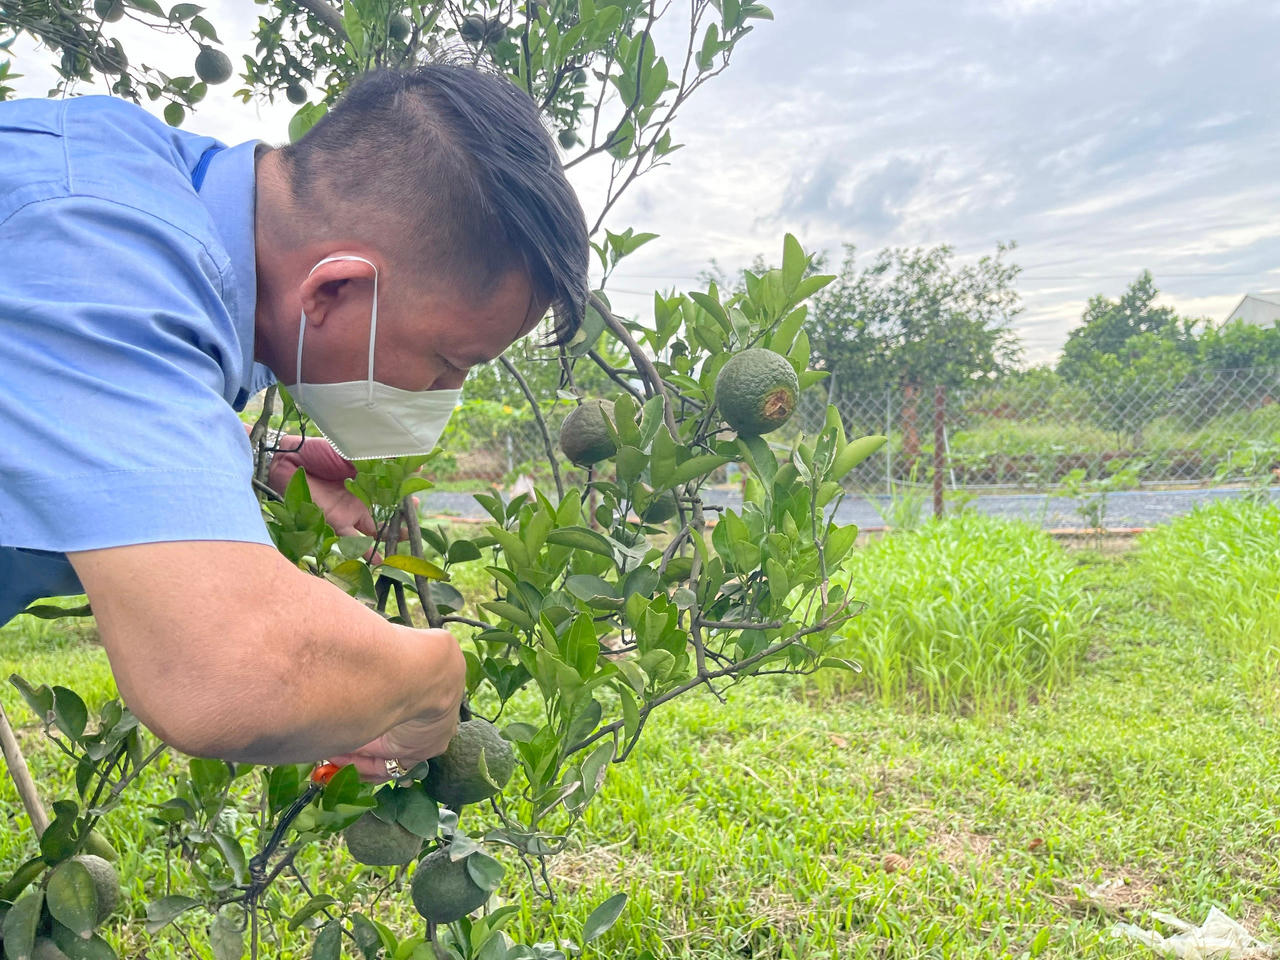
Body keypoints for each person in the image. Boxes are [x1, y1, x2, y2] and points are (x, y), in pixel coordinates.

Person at [0, 65, 589, 780]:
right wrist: (429, 675)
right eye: (447, 361)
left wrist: (253, 452)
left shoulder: (190, 243)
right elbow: (227, 673)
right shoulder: (95, 250)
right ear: (336, 288)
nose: (446, 393)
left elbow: (66, 415)